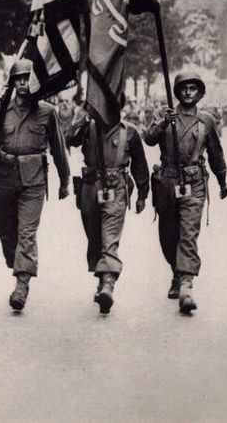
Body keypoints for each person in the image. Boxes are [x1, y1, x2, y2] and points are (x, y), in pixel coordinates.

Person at [144, 71, 227, 315]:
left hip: (194, 182)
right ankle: (176, 272)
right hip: (168, 182)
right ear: (177, 92)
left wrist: (222, 181)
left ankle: (187, 285)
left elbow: (216, 153)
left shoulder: (206, 121)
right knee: (168, 236)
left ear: (199, 92)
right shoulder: (163, 113)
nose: (188, 92)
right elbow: (148, 139)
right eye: (184, 88)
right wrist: (162, 123)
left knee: (189, 233)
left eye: (193, 88)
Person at [0, 59, 70, 311]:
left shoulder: (47, 112)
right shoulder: (1, 110)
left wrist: (64, 180)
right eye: (19, 79)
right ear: (13, 82)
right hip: (4, 176)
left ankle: (21, 284)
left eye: (28, 79)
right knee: (7, 231)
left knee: (27, 232)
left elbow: (59, 148)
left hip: (33, 180)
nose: (24, 84)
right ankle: (15, 262)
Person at [67, 104, 149, 314]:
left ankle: (108, 283)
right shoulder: (88, 127)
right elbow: (71, 139)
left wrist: (142, 193)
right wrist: (85, 116)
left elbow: (140, 164)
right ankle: (102, 277)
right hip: (90, 188)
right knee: (95, 237)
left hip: (117, 188)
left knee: (109, 238)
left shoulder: (129, 131)